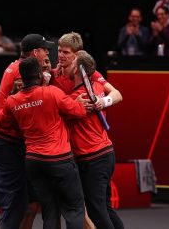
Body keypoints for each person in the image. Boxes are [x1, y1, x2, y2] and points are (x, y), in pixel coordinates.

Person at [0, 34, 55, 229]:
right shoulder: (23, 72)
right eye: (45, 50)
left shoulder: (15, 65)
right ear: (35, 53)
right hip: (6, 143)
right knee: (17, 204)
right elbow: (35, 103)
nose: (47, 53)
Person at [0, 57, 87, 229]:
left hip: (33, 163)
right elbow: (80, 111)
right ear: (40, 74)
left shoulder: (12, 101)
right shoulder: (52, 92)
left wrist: (13, 96)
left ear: (21, 79)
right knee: (74, 209)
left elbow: (0, 122)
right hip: (59, 160)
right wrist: (77, 103)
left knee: (50, 209)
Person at [69, 50, 124, 229]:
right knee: (105, 208)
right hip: (106, 154)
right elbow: (114, 93)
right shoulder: (97, 87)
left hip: (94, 159)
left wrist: (104, 102)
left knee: (97, 211)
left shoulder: (78, 98)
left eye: (71, 61)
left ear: (78, 70)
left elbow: (117, 95)